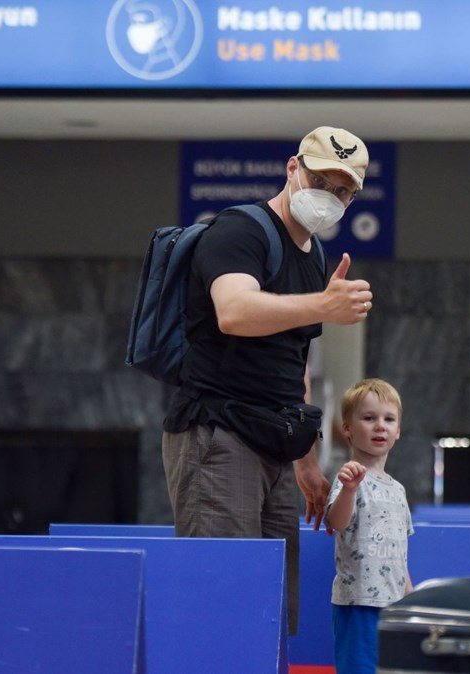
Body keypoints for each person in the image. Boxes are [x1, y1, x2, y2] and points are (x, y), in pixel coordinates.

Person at [161, 126, 374, 636]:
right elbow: (234, 311)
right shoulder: (240, 229)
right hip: (219, 433)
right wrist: (323, 305)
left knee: (270, 611)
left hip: (276, 443)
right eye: (320, 180)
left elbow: (293, 364)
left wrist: (306, 461)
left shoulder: (314, 256)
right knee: (224, 605)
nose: (330, 196)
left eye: (343, 191)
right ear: (293, 168)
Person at [324, 378, 413, 674]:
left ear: (398, 431)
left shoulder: (398, 490)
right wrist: (349, 490)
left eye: (389, 419)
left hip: (393, 604)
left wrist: (410, 598)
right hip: (359, 602)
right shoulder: (349, 478)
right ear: (347, 428)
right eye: (369, 418)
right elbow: (337, 522)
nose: (380, 426)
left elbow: (399, 553)